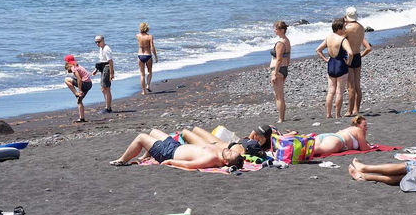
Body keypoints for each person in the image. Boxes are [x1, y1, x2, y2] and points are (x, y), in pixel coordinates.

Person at [108, 129, 246, 170]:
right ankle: (146, 156)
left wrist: (170, 162)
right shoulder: (220, 153)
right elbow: (237, 149)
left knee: (141, 138)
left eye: (230, 154)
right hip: (176, 147)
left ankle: (121, 160)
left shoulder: (213, 159)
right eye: (231, 151)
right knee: (154, 132)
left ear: (226, 162)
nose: (229, 151)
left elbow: (189, 165)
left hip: (169, 153)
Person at [341, 7, 371, 116]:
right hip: (357, 55)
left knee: (350, 86)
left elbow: (341, 41)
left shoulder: (347, 28)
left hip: (349, 56)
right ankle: (356, 109)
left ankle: (349, 110)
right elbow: (366, 46)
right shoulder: (361, 27)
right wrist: (361, 55)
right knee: (357, 85)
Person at [316, 19, 349, 118]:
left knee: (330, 91)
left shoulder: (328, 38)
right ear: (339, 29)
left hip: (331, 64)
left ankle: (328, 114)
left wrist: (325, 59)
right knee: (339, 91)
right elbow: (350, 53)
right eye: (344, 27)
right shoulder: (343, 39)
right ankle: (337, 114)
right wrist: (348, 62)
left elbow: (318, 50)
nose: (345, 29)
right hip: (341, 64)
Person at [269, 21, 291, 122]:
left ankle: (281, 118)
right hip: (284, 68)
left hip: (278, 69)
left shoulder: (280, 43)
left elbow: (278, 59)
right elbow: (288, 57)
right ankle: (281, 117)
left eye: (276, 29)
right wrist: (285, 68)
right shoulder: (287, 41)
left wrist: (275, 73)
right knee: (280, 95)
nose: (275, 30)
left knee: (279, 96)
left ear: (282, 30)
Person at [62, 55, 93, 123]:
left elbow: (79, 79)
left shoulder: (74, 68)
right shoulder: (78, 66)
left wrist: (79, 90)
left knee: (66, 79)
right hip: (89, 84)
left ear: (68, 62)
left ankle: (76, 93)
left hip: (85, 84)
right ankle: (82, 118)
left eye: (66, 62)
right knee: (79, 100)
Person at [93, 34, 115, 113]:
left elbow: (110, 61)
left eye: (98, 42)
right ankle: (107, 106)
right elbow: (101, 60)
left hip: (107, 68)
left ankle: (108, 108)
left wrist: (111, 73)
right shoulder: (101, 48)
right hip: (103, 67)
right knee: (103, 88)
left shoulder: (106, 49)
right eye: (96, 42)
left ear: (103, 41)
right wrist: (96, 70)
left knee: (106, 88)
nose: (97, 44)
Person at [135, 22, 158, 94]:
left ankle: (143, 91)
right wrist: (155, 56)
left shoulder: (137, 36)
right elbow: (152, 47)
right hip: (148, 55)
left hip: (140, 55)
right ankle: (148, 85)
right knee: (150, 72)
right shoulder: (150, 36)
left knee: (142, 74)